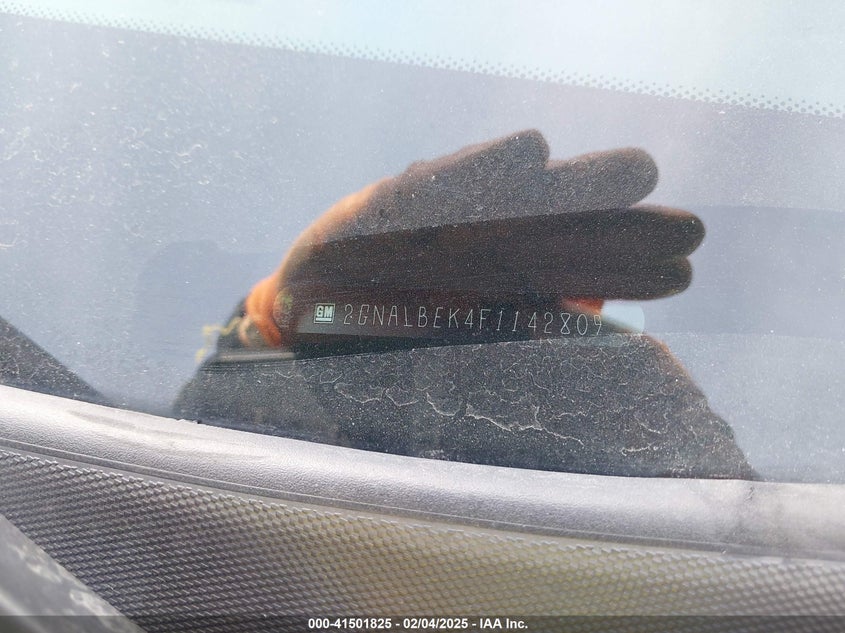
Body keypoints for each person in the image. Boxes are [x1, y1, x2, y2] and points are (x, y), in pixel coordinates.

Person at [176, 130, 755, 479]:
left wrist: (688, 468)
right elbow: (189, 463)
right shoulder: (168, 455)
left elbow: (755, 562)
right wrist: (269, 326)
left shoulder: (624, 392)